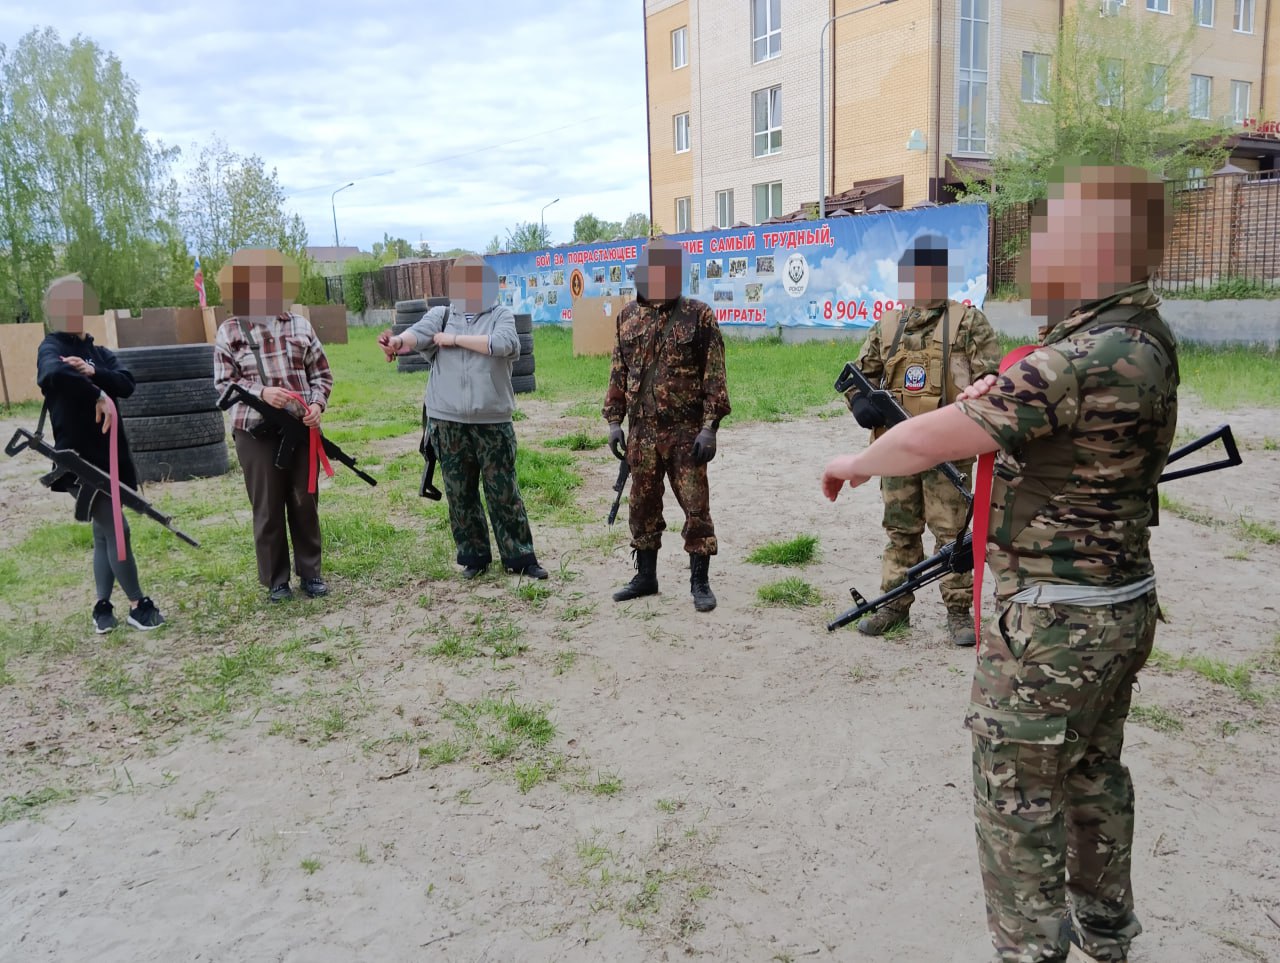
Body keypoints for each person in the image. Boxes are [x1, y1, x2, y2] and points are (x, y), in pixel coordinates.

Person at [822, 164, 1178, 963]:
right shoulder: (1146, 335)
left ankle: (1032, 949)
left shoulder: (1073, 358)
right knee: (1093, 773)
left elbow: (937, 433)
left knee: (1016, 800)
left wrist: (857, 460)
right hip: (1123, 601)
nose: (1038, 256)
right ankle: (1108, 936)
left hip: (1055, 622)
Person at [843, 233, 1000, 646]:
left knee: (952, 535)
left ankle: (958, 611)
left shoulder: (968, 323)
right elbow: (858, 375)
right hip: (899, 450)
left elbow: (992, 382)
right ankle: (894, 605)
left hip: (949, 450)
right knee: (900, 530)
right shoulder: (889, 325)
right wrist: (860, 403)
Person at [378, 254, 548, 581]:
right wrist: (396, 342)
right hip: (448, 421)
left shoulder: (500, 316)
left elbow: (504, 344)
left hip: (492, 420)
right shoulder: (442, 316)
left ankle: (520, 557)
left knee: (503, 491)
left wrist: (454, 340)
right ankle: (474, 556)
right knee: (460, 493)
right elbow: (417, 334)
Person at [602, 238, 730, 612]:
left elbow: (714, 374)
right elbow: (618, 371)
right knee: (642, 506)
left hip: (685, 432)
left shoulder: (698, 316)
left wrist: (710, 427)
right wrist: (614, 422)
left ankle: (699, 582)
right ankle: (646, 577)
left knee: (695, 506)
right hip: (641, 433)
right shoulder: (627, 317)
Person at [35, 275, 165, 633]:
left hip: (111, 461)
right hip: (77, 464)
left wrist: (94, 372)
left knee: (103, 533)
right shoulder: (50, 348)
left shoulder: (99, 352)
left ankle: (102, 607)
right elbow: (53, 373)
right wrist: (96, 394)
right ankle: (138, 605)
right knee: (117, 528)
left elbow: (126, 383)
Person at [213, 248, 333, 603]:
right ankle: (276, 580)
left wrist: (316, 405)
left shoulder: (299, 325)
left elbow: (321, 375)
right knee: (267, 507)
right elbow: (224, 385)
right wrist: (262, 393)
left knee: (305, 501)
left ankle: (311, 573)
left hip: (300, 429)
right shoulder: (230, 330)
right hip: (254, 432)